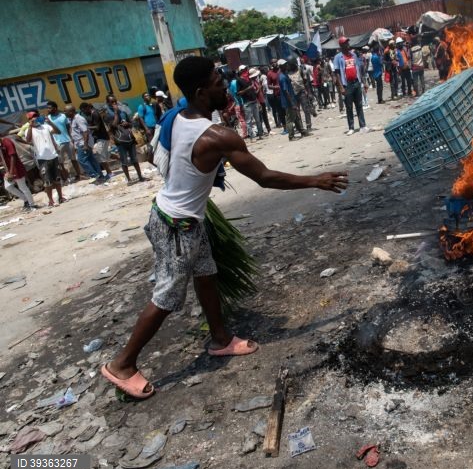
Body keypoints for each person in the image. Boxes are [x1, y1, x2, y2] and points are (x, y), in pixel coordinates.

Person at [100, 56, 348, 399]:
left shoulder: (176, 116)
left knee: (206, 274)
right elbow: (263, 177)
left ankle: (220, 339)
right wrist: (314, 180)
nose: (225, 86)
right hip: (176, 226)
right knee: (167, 296)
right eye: (218, 82)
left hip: (180, 217)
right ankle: (122, 364)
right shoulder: (217, 136)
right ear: (202, 92)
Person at [25, 111, 65, 207]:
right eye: (32, 118)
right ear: (29, 120)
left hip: (53, 155)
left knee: (57, 178)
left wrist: (50, 122)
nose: (35, 119)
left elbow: (58, 132)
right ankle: (51, 200)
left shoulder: (45, 126)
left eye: (36, 117)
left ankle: (61, 197)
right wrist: (30, 126)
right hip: (42, 158)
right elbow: (28, 140)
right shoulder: (29, 130)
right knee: (47, 181)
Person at [105, 95, 146, 183]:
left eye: (115, 101)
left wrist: (127, 124)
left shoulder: (123, 112)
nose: (115, 103)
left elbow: (131, 124)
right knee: (124, 161)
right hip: (120, 141)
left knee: (134, 159)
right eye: (112, 102)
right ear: (108, 103)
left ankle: (140, 176)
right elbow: (113, 126)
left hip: (129, 138)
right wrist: (116, 113)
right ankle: (129, 179)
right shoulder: (108, 115)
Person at [333, 36, 369, 135]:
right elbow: (337, 73)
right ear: (341, 45)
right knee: (349, 107)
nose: (348, 45)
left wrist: (364, 82)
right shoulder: (337, 57)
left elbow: (358, 69)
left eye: (348, 43)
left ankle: (363, 125)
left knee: (359, 105)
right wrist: (340, 87)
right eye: (346, 43)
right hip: (347, 84)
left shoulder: (353, 55)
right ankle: (351, 127)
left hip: (356, 82)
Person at [65, 105, 102, 181]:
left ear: (71, 112)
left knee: (81, 160)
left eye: (66, 111)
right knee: (91, 159)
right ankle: (100, 175)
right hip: (80, 143)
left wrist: (85, 145)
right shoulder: (72, 119)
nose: (65, 113)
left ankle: (94, 175)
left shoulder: (79, 119)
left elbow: (85, 132)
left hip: (83, 143)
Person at [0, 130, 35, 210]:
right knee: (8, 187)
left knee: (23, 187)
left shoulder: (7, 142)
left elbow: (13, 156)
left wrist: (11, 172)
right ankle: (25, 200)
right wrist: (7, 172)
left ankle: (32, 205)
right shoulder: (1, 144)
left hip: (16, 169)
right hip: (8, 170)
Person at [46, 101, 79, 182]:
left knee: (74, 159)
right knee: (60, 163)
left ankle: (79, 175)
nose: (48, 109)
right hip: (57, 143)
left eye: (49, 108)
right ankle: (67, 179)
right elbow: (49, 131)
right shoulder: (47, 118)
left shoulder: (63, 116)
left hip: (68, 140)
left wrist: (71, 138)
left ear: (55, 108)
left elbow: (68, 128)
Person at [279, 59, 306, 141]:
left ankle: (302, 131)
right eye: (285, 65)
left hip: (292, 99)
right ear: (281, 66)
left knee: (296, 116)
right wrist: (292, 103)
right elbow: (286, 91)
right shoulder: (282, 77)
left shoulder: (285, 74)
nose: (287, 66)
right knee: (290, 119)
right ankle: (291, 136)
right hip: (288, 101)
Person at [266, 60, 284, 131]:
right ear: (271, 64)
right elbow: (269, 86)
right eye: (272, 62)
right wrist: (277, 87)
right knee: (280, 111)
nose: (274, 63)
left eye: (275, 61)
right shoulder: (269, 73)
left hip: (285, 93)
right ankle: (284, 126)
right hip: (277, 94)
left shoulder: (281, 70)